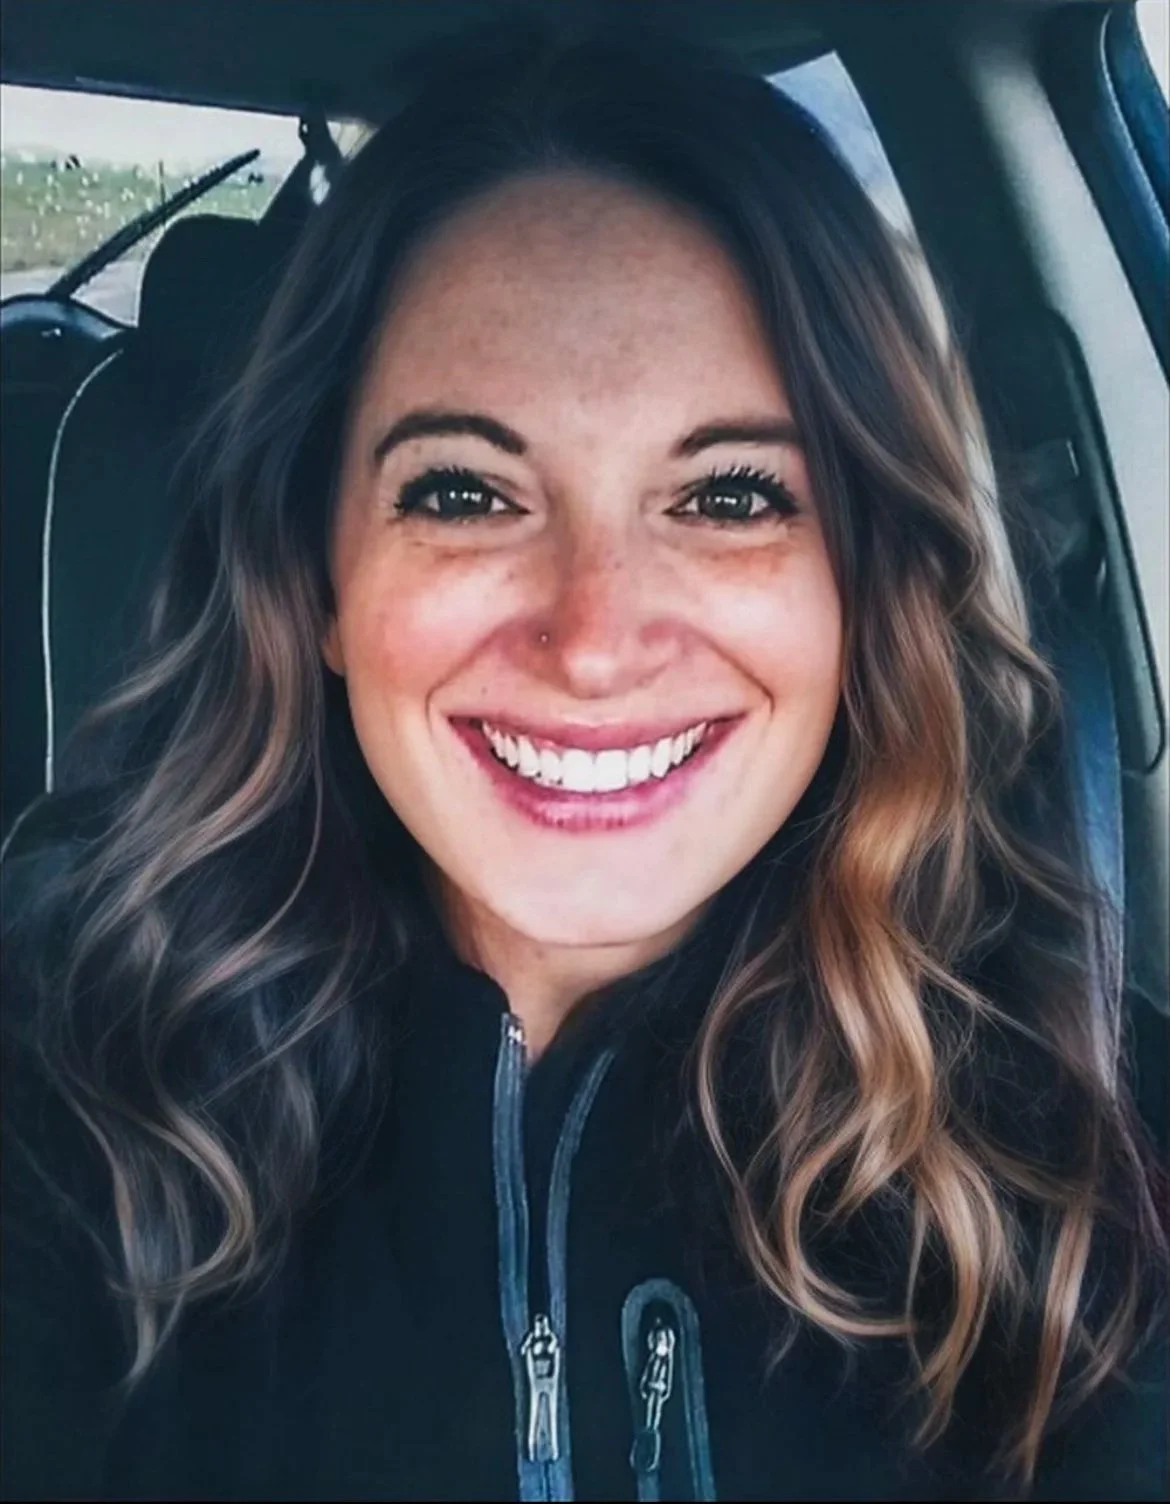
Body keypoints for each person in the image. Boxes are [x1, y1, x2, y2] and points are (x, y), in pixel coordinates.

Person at [2, 15, 1166, 1503]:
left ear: (866, 587)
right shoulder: (62, 1069)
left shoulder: (1077, 1140)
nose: (595, 638)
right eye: (467, 491)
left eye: (732, 494)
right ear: (320, 583)